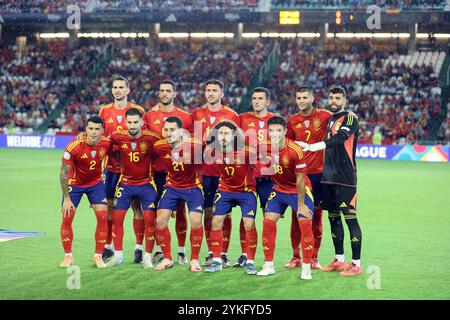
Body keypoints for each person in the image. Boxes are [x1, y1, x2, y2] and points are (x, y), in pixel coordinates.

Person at [300, 86, 363, 276]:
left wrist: (312, 147)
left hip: (345, 178)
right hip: (328, 177)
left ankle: (356, 264)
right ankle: (339, 259)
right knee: (333, 218)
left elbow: (340, 138)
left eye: (337, 98)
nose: (333, 101)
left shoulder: (350, 118)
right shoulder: (330, 119)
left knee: (350, 218)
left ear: (344, 100)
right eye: (331, 97)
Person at [257, 116, 315, 280]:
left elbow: (301, 179)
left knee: (304, 223)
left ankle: (306, 268)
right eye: (271, 130)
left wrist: (301, 203)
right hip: (279, 190)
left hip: (299, 190)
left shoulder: (295, 150)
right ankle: (268, 265)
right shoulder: (265, 147)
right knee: (268, 222)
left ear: (285, 131)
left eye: (278, 130)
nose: (274, 134)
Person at [191, 79, 240, 267]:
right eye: (208, 90)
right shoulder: (196, 114)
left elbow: (237, 144)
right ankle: (212, 251)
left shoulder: (231, 115)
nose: (211, 93)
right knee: (208, 212)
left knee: (225, 213)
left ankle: (224, 253)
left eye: (214, 90)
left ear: (222, 94)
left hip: (224, 172)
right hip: (203, 172)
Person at [98, 76, 147, 263]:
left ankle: (138, 248)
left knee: (137, 209)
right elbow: (100, 138)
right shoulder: (105, 111)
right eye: (115, 87)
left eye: (121, 87)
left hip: (132, 169)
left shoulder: (137, 111)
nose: (118, 90)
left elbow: (144, 137)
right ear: (112, 90)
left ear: (128, 90)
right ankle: (109, 246)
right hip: (110, 169)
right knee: (110, 209)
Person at [145, 80, 193, 265]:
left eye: (168, 91)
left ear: (174, 94)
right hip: (156, 172)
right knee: (158, 211)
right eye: (162, 90)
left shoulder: (185, 117)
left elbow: (189, 142)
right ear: (159, 94)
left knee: (180, 210)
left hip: (179, 172)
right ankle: (160, 249)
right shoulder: (149, 116)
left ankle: (181, 251)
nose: (164, 93)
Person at [286, 85, 333, 270]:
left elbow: (340, 119)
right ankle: (295, 256)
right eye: (298, 98)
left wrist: (350, 115)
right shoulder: (292, 121)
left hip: (319, 175)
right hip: (299, 176)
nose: (301, 101)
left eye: (305, 97)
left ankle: (314, 257)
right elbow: (287, 144)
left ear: (312, 98)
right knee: (297, 215)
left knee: (317, 217)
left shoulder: (324, 116)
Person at [106, 108, 160, 268]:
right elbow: (103, 142)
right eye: (129, 122)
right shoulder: (117, 136)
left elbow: (168, 144)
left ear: (142, 122)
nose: (132, 125)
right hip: (126, 184)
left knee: (151, 220)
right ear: (125, 122)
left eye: (136, 122)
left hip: (146, 184)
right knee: (117, 219)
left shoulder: (152, 138)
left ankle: (148, 256)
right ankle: (118, 255)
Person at [203, 121, 259, 275]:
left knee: (249, 224)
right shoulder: (214, 150)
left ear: (234, 136)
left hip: (246, 191)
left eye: (227, 133)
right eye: (220, 133)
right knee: (216, 221)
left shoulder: (247, 152)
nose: (223, 136)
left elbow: (262, 163)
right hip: (225, 191)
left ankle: (250, 262)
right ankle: (216, 261)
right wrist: (215, 131)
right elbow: (206, 140)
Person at [152, 117, 204, 272]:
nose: (168, 133)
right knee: (160, 220)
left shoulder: (195, 144)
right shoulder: (159, 146)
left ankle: (194, 260)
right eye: (166, 130)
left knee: (195, 221)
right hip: (172, 187)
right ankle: (167, 258)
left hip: (193, 187)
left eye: (172, 130)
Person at [59, 116, 111, 268]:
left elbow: (116, 154)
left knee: (103, 216)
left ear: (102, 130)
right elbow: (63, 173)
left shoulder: (106, 143)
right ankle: (68, 256)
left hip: (95, 184)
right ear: (85, 130)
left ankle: (98, 256)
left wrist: (105, 173)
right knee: (67, 217)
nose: (94, 132)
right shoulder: (73, 146)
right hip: (74, 184)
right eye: (91, 129)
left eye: (97, 129)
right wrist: (67, 199)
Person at [237, 87, 277, 268]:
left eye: (260, 98)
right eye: (254, 98)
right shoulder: (243, 119)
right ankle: (245, 254)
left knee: (268, 218)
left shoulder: (276, 121)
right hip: (249, 177)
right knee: (246, 218)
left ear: (267, 101)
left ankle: (269, 259)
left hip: (269, 178)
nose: (257, 101)